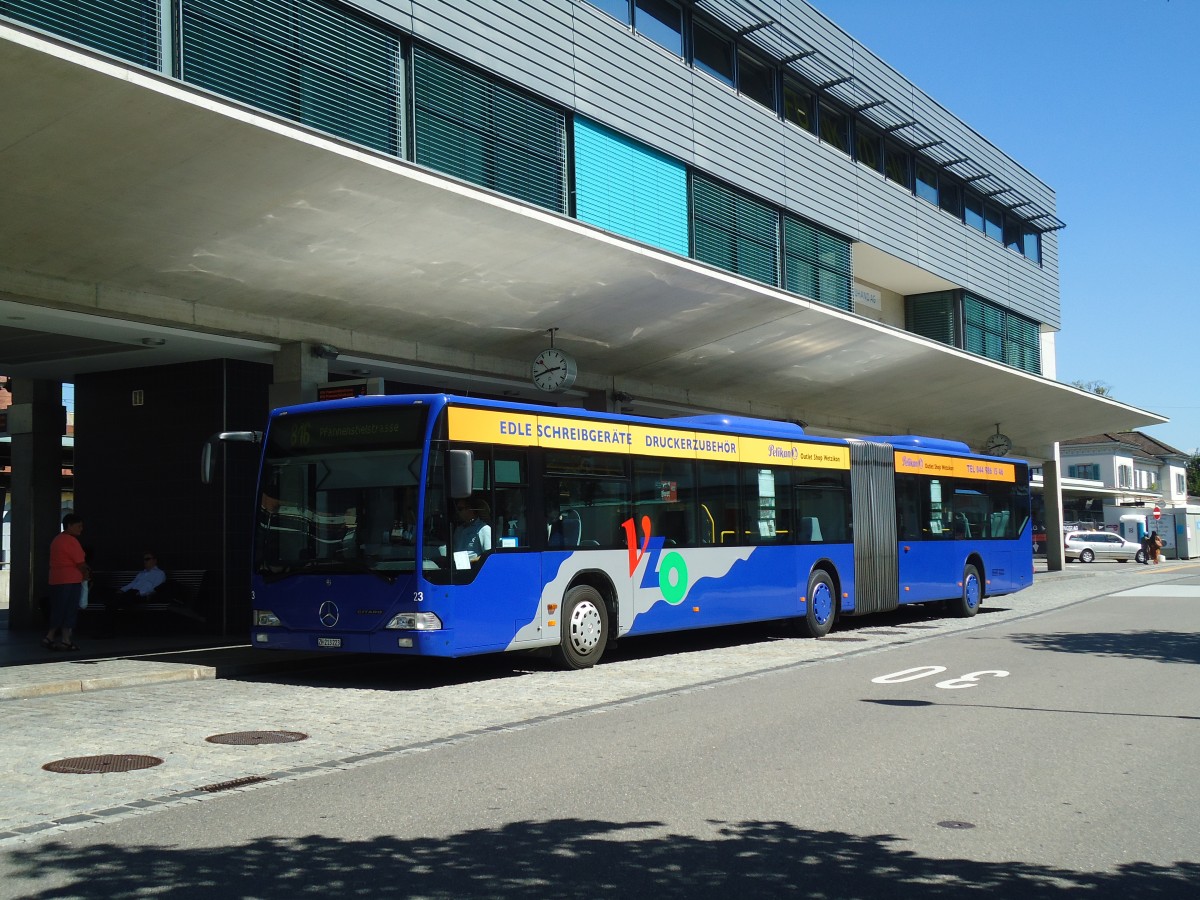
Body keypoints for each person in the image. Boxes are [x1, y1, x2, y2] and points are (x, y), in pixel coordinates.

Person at [44, 513, 88, 652]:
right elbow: (80, 563)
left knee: (58, 608)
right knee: (69, 610)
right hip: (70, 580)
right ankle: (57, 638)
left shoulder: (57, 540)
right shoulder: (71, 541)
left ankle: (61, 639)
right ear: (69, 525)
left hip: (56, 579)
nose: (81, 529)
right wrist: (86, 575)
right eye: (79, 526)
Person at [104, 551, 168, 637]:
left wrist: (140, 593)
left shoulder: (159, 573)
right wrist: (122, 590)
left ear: (154, 561)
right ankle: (107, 629)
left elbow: (155, 588)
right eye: (144, 559)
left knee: (113, 602)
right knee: (111, 598)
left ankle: (107, 630)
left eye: (147, 559)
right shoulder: (141, 573)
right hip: (131, 594)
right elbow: (132, 584)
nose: (145, 561)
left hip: (141, 596)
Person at [452, 496, 492, 562]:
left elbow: (489, 555)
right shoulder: (459, 530)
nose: (457, 512)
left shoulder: (483, 529)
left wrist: (470, 561)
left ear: (470, 509)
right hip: (456, 567)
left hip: (473, 569)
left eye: (460, 509)